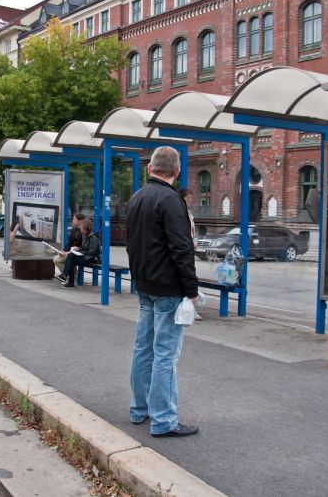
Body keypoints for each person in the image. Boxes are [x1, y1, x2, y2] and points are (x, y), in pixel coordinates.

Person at [126, 146, 200, 438]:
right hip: (168, 288)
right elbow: (182, 249)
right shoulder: (172, 200)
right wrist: (192, 291)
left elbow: (132, 244)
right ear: (177, 171)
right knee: (166, 355)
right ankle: (164, 420)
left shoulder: (137, 197)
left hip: (143, 285)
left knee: (142, 349)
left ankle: (139, 409)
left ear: (149, 169)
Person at [60, 218, 100, 288]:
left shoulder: (93, 237)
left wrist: (80, 251)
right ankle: (67, 278)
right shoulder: (85, 235)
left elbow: (93, 252)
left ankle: (67, 277)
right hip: (86, 256)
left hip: (92, 258)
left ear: (85, 228)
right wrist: (78, 249)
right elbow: (84, 247)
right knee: (70, 257)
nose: (80, 229)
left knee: (71, 258)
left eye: (81, 227)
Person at [54, 213, 86, 281]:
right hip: (72, 252)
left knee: (58, 259)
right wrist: (63, 250)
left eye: (74, 219)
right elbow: (70, 243)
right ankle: (69, 276)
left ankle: (68, 277)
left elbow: (83, 246)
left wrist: (68, 252)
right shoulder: (74, 230)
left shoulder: (84, 231)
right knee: (56, 258)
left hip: (79, 253)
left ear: (80, 221)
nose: (72, 220)